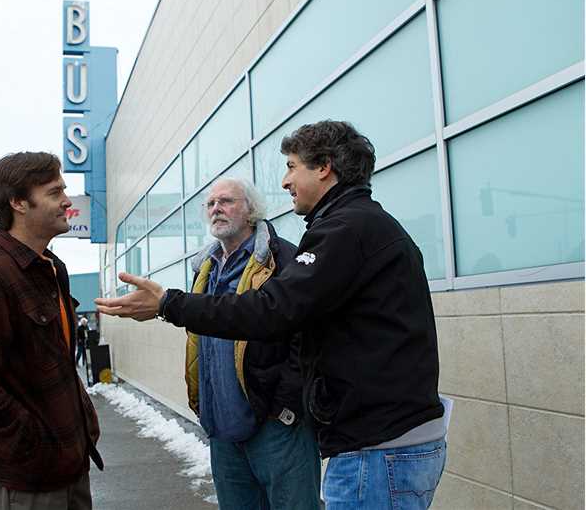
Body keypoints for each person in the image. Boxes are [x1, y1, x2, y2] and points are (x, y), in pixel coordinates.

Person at [96, 120, 448, 510]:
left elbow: (272, 310)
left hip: (377, 446)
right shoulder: (352, 225)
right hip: (370, 442)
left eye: (292, 166)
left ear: (324, 167)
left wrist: (168, 304)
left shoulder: (347, 229)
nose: (285, 181)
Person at [0, 151, 102, 510]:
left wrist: (81, 425)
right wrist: (35, 443)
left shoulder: (51, 267)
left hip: (71, 468)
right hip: (27, 481)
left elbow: (56, 363)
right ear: (18, 203)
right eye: (54, 192)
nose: (66, 201)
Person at [187, 177, 320, 509]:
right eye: (211, 203)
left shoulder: (283, 259)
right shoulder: (203, 268)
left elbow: (307, 336)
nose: (217, 208)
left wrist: (286, 406)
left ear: (251, 210)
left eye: (227, 201)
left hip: (277, 428)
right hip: (223, 432)